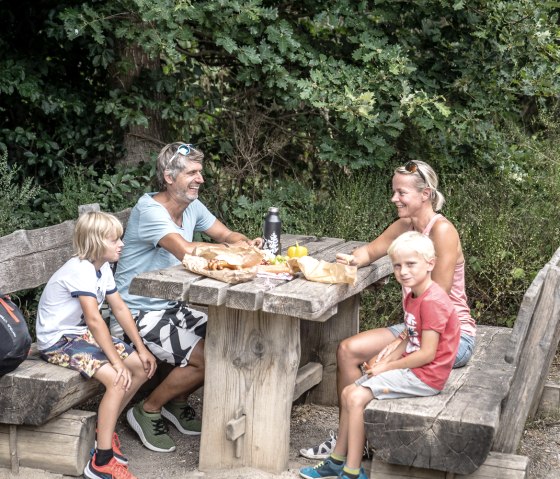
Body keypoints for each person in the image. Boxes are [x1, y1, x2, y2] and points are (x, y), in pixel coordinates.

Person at [301, 160, 476, 460]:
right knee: (347, 350)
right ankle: (350, 437)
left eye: (401, 193)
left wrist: (399, 344)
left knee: (372, 359)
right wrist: (351, 260)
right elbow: (370, 251)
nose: (394, 198)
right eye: (394, 191)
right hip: (414, 329)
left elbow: (439, 301)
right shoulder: (405, 226)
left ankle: (354, 442)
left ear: (426, 194)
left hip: (450, 338)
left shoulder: (443, 232)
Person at [110, 142, 262, 453]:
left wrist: (246, 243)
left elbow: (226, 235)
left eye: (200, 172)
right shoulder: (150, 209)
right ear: (169, 176)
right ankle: (147, 409)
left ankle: (176, 404)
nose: (200, 179)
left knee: (231, 338)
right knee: (210, 358)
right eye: (192, 172)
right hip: (136, 312)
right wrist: (235, 251)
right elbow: (184, 250)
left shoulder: (191, 205)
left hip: (172, 307)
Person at [299, 231, 460, 479]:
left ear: (430, 263)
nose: (403, 271)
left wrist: (387, 368)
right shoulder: (414, 294)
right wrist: (388, 357)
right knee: (347, 392)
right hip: (415, 370)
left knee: (354, 397)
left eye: (410, 264)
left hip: (426, 376)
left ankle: (352, 472)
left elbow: (427, 353)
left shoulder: (433, 301)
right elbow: (409, 335)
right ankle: (337, 460)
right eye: (397, 266)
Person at [36, 211, 157, 479]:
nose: (121, 244)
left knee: (139, 366)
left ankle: (105, 431)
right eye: (115, 240)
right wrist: (115, 361)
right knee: (116, 378)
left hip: (78, 335)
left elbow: (120, 308)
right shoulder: (80, 270)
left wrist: (141, 348)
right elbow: (93, 319)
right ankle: (101, 461)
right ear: (96, 242)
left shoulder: (102, 268)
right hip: (58, 340)